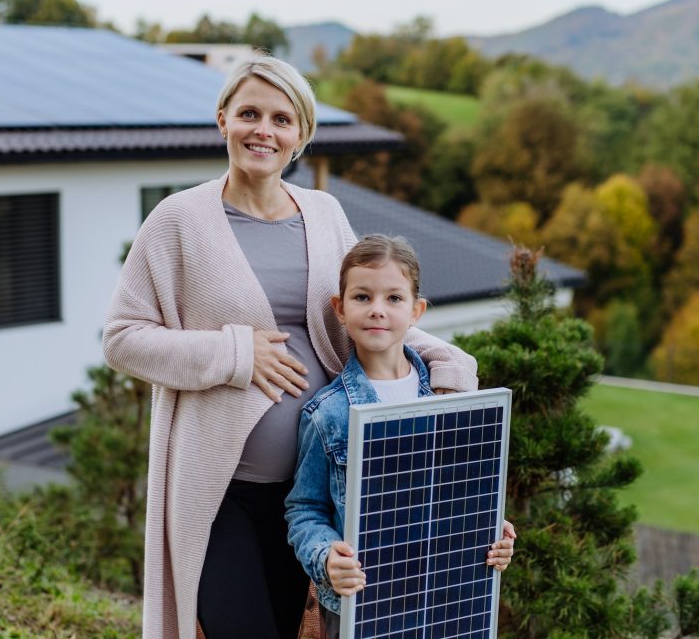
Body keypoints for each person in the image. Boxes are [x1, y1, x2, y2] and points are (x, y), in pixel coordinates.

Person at [102, 55, 487, 639]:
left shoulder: (325, 213)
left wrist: (443, 359)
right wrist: (233, 356)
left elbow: (372, 308)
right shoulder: (177, 220)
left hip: (309, 493)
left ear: (301, 135)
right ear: (222, 119)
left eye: (282, 119)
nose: (264, 130)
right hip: (218, 489)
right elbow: (124, 339)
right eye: (249, 114)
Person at [285, 235, 517, 638]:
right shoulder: (328, 414)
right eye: (362, 297)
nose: (377, 310)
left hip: (446, 598)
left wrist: (493, 533)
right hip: (361, 605)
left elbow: (465, 495)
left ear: (416, 311)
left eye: (393, 298)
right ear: (340, 309)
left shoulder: (451, 402)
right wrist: (326, 557)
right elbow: (304, 509)